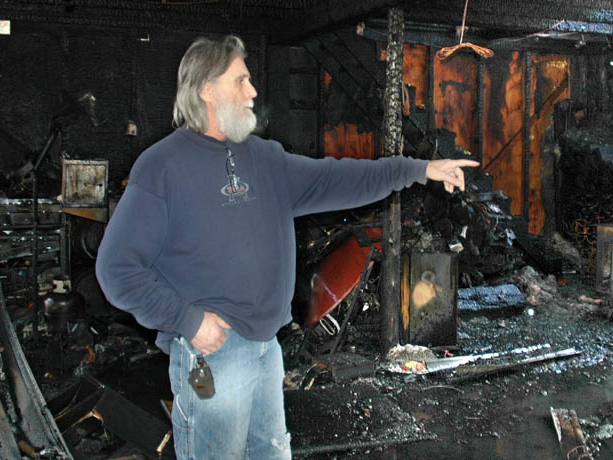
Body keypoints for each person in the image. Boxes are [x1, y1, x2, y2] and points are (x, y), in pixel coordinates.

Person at [95, 34, 478, 460]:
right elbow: (116, 269)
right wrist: (186, 320)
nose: (253, 91)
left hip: (266, 349)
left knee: (271, 453)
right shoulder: (161, 166)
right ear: (206, 89)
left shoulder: (264, 158)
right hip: (213, 353)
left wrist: (420, 169)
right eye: (240, 80)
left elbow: (339, 178)